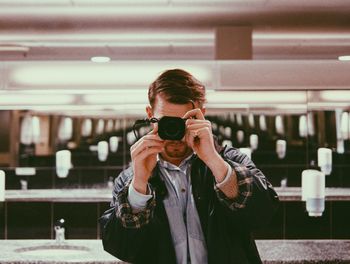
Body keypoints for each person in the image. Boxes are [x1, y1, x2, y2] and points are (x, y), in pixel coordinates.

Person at [100, 69, 279, 264]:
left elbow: (263, 215)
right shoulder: (131, 179)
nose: (175, 133)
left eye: (185, 122)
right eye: (166, 122)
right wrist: (139, 184)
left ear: (202, 115)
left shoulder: (230, 161)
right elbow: (121, 247)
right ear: (150, 114)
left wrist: (213, 160)